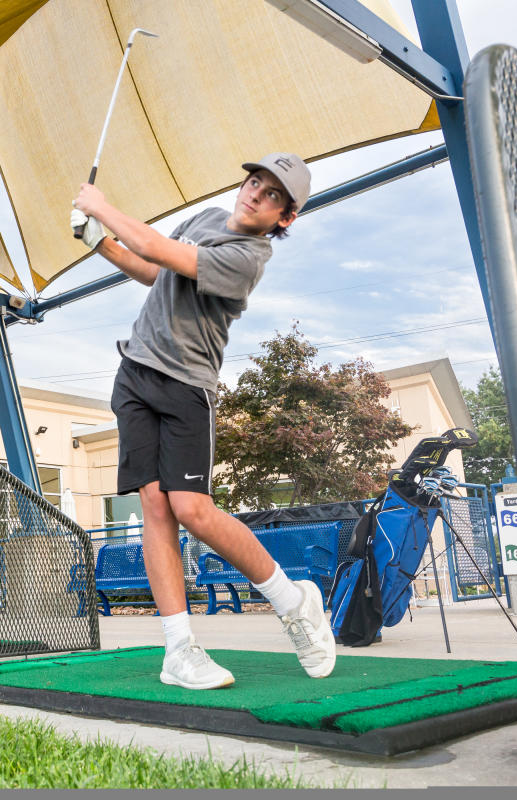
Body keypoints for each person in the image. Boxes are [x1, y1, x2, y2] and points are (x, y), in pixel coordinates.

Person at [70, 153, 336, 689]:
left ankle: (293, 600)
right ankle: (178, 650)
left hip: (186, 387)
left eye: (272, 195)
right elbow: (152, 269)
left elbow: (154, 246)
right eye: (254, 181)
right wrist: (99, 242)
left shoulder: (247, 258)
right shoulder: (206, 219)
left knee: (192, 509)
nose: (255, 193)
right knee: (154, 507)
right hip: (135, 375)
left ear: (284, 218)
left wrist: (102, 206)